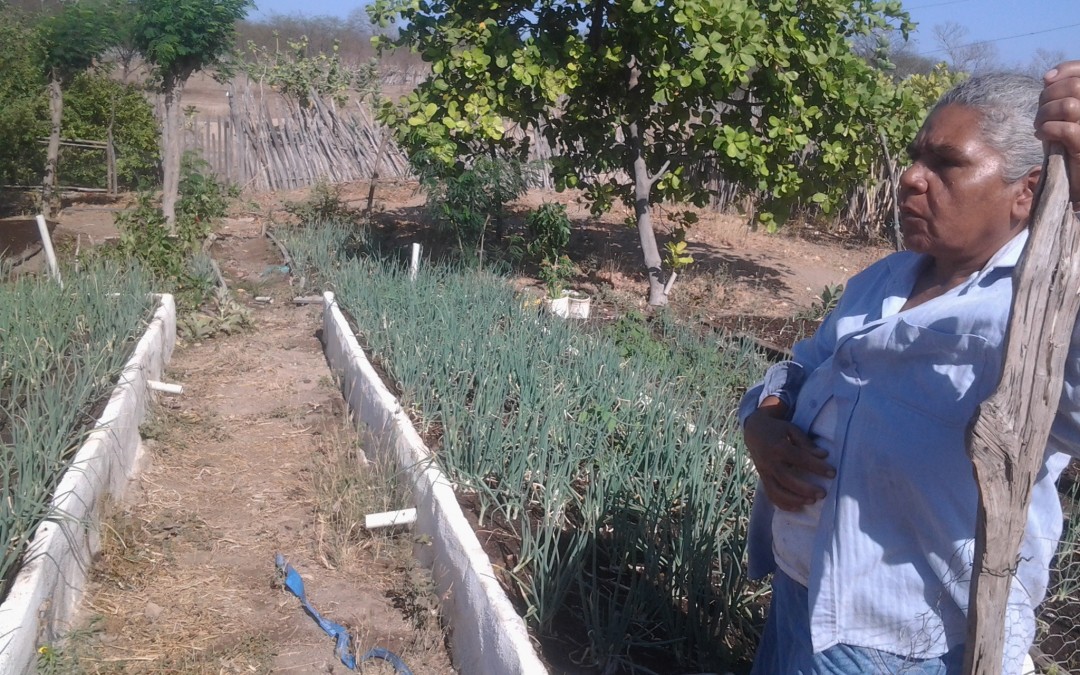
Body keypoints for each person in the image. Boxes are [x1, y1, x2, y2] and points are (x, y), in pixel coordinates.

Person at [740, 61, 1080, 675]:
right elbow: (801, 367)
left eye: (946, 164)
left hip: (909, 640)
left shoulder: (1043, 313)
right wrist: (765, 418)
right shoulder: (885, 281)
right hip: (802, 589)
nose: (909, 179)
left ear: (1026, 191)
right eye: (915, 157)